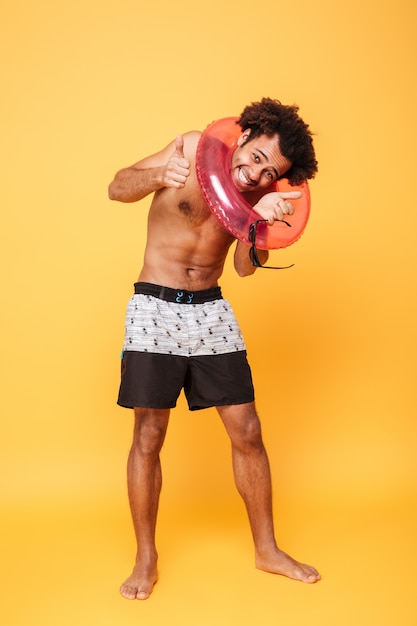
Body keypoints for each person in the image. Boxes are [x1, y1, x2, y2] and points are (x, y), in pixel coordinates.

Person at [108, 97, 320, 600]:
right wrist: (161, 172)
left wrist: (256, 222)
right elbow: (117, 187)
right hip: (154, 305)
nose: (256, 174)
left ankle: (267, 549)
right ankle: (146, 557)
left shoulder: (261, 199)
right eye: (256, 157)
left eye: (271, 172)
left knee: (247, 429)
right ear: (243, 136)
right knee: (149, 434)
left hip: (209, 310)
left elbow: (245, 268)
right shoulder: (187, 147)